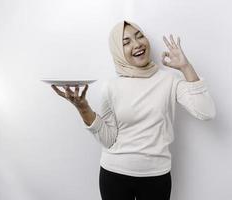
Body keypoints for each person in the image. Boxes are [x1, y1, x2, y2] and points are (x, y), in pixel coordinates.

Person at [51, 20, 216, 200]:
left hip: (156, 176)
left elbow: (206, 112)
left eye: (139, 36)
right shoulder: (111, 87)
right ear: (118, 51)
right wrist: (83, 108)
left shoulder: (170, 80)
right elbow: (108, 139)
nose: (137, 44)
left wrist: (185, 67)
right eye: (126, 42)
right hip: (114, 175)